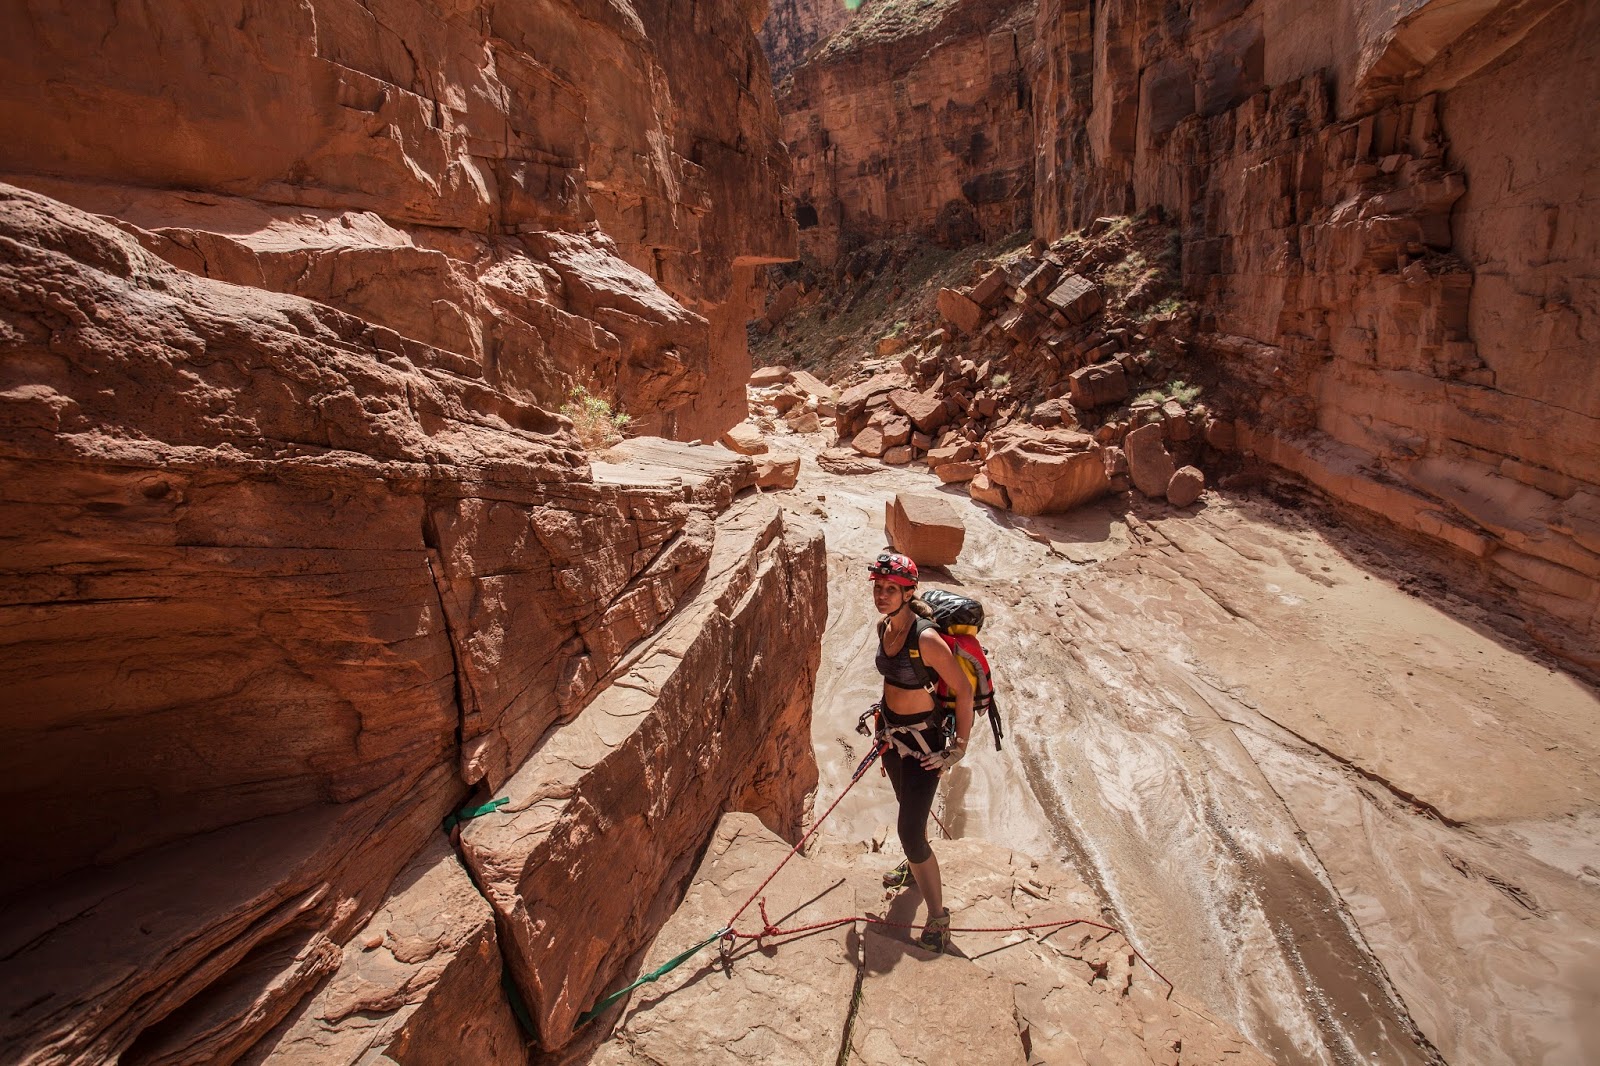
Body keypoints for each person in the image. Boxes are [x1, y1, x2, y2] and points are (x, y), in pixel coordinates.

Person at [866, 550, 974, 954]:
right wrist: (882, 728)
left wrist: (957, 749)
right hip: (893, 739)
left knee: (909, 831)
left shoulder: (926, 638)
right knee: (906, 807)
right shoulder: (884, 627)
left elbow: (962, 691)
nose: (882, 595)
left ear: (909, 592)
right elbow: (891, 682)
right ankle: (915, 867)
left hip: (926, 747)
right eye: (879, 588)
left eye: (891, 589)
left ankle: (938, 915)